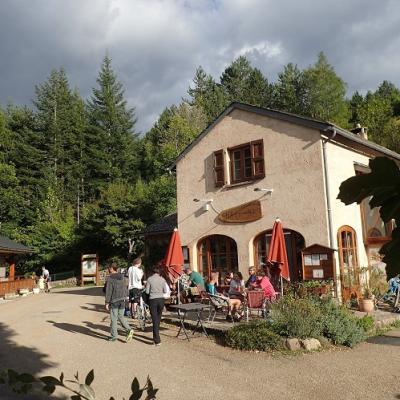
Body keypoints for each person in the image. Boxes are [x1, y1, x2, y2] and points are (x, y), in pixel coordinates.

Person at [105, 263, 134, 343]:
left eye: (109, 268)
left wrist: (107, 302)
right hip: (122, 300)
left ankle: (114, 336)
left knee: (114, 319)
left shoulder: (110, 278)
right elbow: (125, 289)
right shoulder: (122, 277)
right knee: (121, 316)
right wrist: (126, 298)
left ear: (111, 268)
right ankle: (129, 329)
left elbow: (109, 291)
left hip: (114, 301)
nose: (108, 270)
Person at [145, 265, 168, 346]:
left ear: (152, 272)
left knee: (154, 319)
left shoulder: (149, 279)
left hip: (153, 300)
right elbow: (165, 290)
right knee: (158, 319)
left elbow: (147, 292)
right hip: (161, 300)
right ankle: (156, 337)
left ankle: (157, 340)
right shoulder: (163, 279)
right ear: (159, 272)